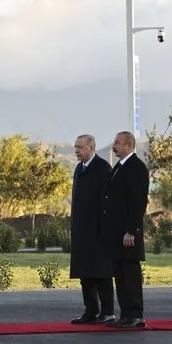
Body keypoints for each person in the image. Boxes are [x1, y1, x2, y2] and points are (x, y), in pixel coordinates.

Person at [101, 131, 150, 328]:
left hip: (128, 233)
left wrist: (131, 230)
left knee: (130, 274)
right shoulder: (119, 167)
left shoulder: (137, 168)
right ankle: (126, 314)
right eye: (114, 142)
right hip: (116, 233)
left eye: (118, 143)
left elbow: (138, 202)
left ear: (129, 145)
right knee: (120, 275)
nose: (114, 146)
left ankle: (136, 314)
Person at [69, 134, 115, 324]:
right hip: (82, 231)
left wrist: (104, 228)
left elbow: (108, 201)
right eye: (75, 147)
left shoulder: (102, 168)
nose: (77, 151)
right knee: (85, 273)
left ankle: (107, 312)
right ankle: (90, 310)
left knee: (102, 273)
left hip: (98, 231)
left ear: (91, 147)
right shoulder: (79, 168)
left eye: (80, 147)